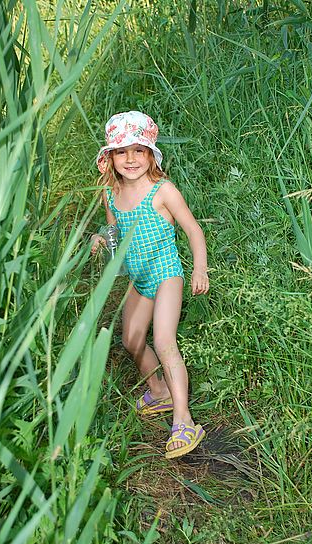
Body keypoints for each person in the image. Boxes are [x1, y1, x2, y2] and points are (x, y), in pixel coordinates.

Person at [91, 110, 209, 459]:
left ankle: (184, 420)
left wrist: (199, 268)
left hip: (165, 274)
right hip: (138, 279)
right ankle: (159, 391)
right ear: (110, 156)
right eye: (122, 151)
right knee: (131, 339)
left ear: (150, 154)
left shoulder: (163, 191)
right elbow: (115, 233)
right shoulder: (110, 194)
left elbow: (193, 230)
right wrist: (101, 238)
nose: (131, 159)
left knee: (163, 339)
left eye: (138, 150)